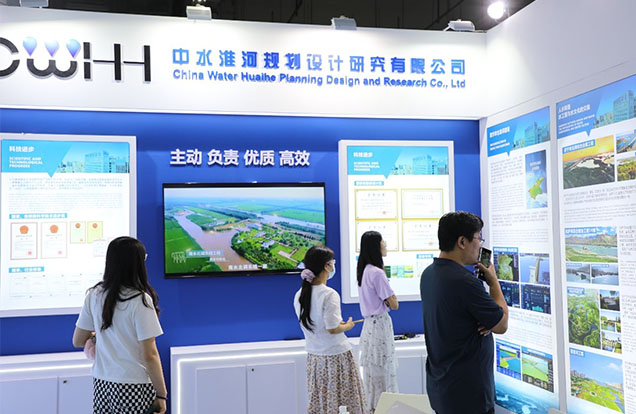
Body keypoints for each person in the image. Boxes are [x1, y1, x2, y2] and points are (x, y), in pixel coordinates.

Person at [420, 211, 508, 414]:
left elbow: (455, 318)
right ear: (462, 242)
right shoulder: (464, 282)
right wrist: (493, 283)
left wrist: (485, 319)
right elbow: (502, 324)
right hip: (469, 397)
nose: (480, 245)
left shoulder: (429, 274)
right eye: (478, 238)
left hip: (443, 391)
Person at [73, 236, 167, 414]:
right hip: (134, 386)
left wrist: (99, 336)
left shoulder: (94, 295)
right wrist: (161, 394)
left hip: (102, 384)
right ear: (137, 264)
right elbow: (150, 354)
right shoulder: (140, 300)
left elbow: (77, 340)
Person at [293, 246, 366, 414]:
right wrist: (348, 326)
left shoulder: (299, 294)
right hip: (336, 357)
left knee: (323, 404)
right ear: (326, 266)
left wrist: (338, 324)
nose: (334, 266)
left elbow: (320, 324)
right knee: (345, 404)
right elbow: (333, 328)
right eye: (332, 262)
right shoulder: (329, 294)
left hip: (315, 358)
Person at [356, 231, 399, 412]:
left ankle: (374, 408)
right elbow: (394, 304)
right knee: (383, 373)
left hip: (369, 327)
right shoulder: (377, 273)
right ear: (376, 246)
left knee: (373, 376)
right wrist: (391, 298)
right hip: (380, 326)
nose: (385, 244)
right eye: (382, 241)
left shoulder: (365, 270)